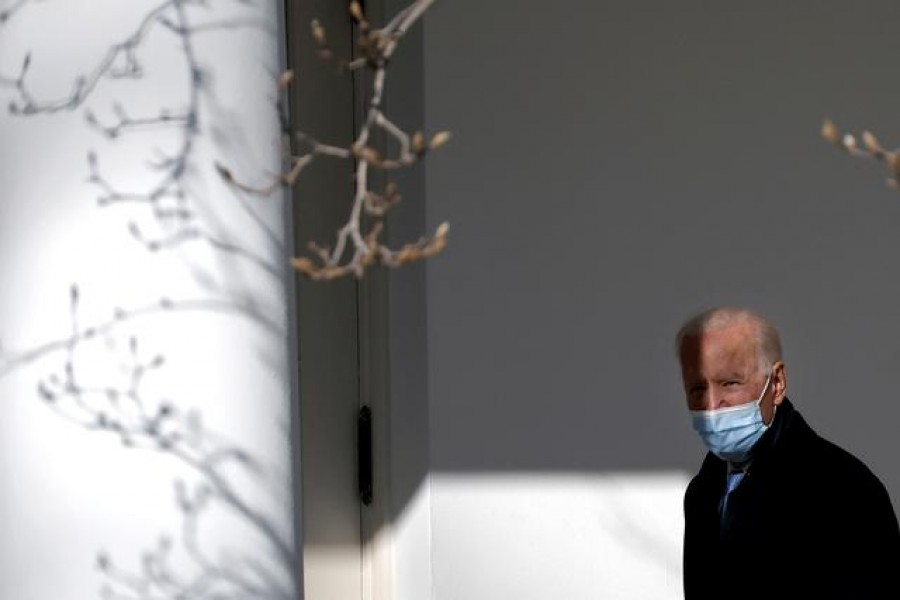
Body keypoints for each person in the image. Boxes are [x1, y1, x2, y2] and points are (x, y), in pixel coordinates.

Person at [675, 306, 900, 599]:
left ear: (777, 383)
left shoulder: (843, 489)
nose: (712, 403)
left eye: (730, 383)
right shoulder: (704, 492)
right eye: (697, 388)